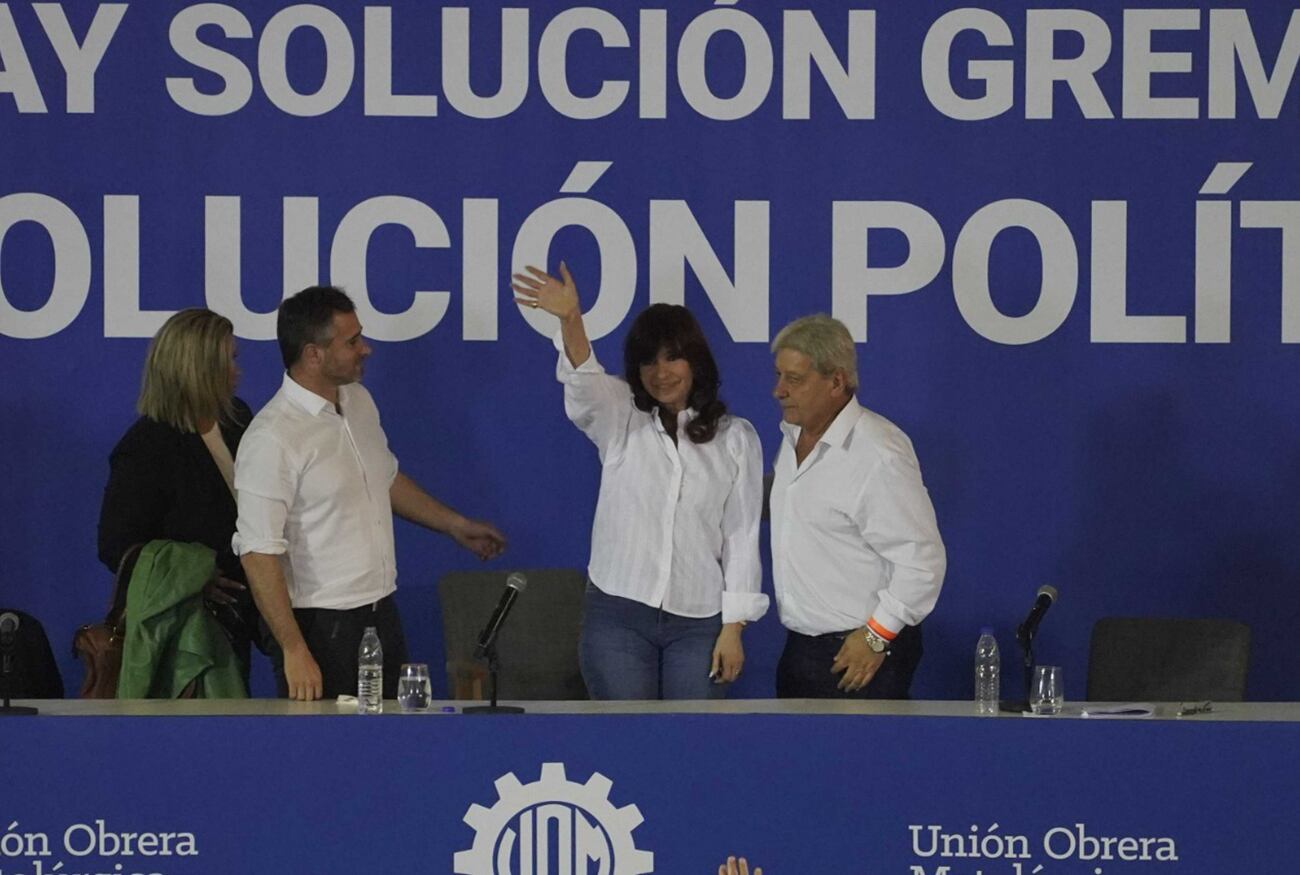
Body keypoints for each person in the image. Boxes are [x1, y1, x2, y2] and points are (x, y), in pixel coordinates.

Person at [232, 286, 506, 701]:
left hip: (380, 613)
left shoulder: (358, 401)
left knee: (392, 751)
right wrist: (294, 649)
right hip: (319, 628)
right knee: (331, 760)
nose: (367, 349)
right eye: (352, 341)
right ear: (313, 354)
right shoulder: (272, 438)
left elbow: (383, 477)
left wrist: (454, 525)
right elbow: (257, 553)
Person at [512, 263, 767, 700]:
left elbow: (741, 536)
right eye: (648, 360)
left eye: (672, 357)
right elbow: (583, 382)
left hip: (699, 621)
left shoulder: (735, 437)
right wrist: (571, 319)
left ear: (696, 361)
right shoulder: (620, 414)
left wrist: (734, 627)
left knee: (690, 751)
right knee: (622, 750)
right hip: (618, 616)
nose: (660, 372)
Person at [769, 314, 946, 698]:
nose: (778, 390)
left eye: (794, 379)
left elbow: (922, 560)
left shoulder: (878, 452)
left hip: (860, 653)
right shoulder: (792, 437)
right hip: (801, 648)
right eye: (779, 376)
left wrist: (876, 635)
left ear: (836, 381)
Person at [98, 308, 260, 687]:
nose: (238, 370)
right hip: (184, 628)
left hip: (245, 613)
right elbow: (114, 545)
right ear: (197, 367)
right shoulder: (146, 447)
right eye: (229, 360)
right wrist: (194, 577)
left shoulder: (237, 418)